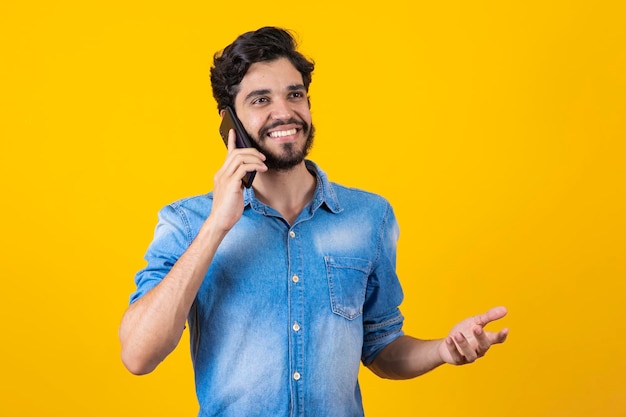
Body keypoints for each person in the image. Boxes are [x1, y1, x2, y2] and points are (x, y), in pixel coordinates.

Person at [119, 26, 509, 417]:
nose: (284, 112)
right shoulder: (188, 222)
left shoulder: (369, 218)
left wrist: (442, 350)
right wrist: (217, 227)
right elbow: (138, 355)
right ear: (229, 122)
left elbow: (380, 348)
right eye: (260, 100)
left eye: (295, 94)